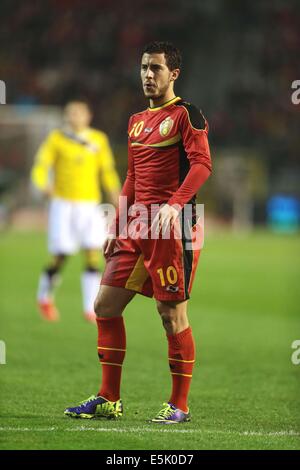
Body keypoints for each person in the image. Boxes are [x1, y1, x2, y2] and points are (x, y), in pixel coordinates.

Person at [64, 41, 212, 423]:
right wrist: (117, 223)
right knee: (105, 306)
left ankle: (179, 405)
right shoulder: (135, 121)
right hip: (136, 226)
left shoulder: (186, 115)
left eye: (156, 69)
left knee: (171, 314)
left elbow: (202, 166)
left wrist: (174, 204)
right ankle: (108, 398)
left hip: (173, 228)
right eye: (144, 68)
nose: (148, 75)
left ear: (173, 74)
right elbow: (131, 176)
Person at [31, 100, 121, 323]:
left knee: (93, 254)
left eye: (79, 113)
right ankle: (44, 297)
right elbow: (41, 165)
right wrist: (42, 184)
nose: (75, 117)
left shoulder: (98, 140)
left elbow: (107, 170)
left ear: (88, 116)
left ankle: (90, 308)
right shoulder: (57, 139)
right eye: (71, 113)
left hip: (90, 205)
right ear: (66, 116)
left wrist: (115, 194)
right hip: (63, 204)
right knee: (60, 255)